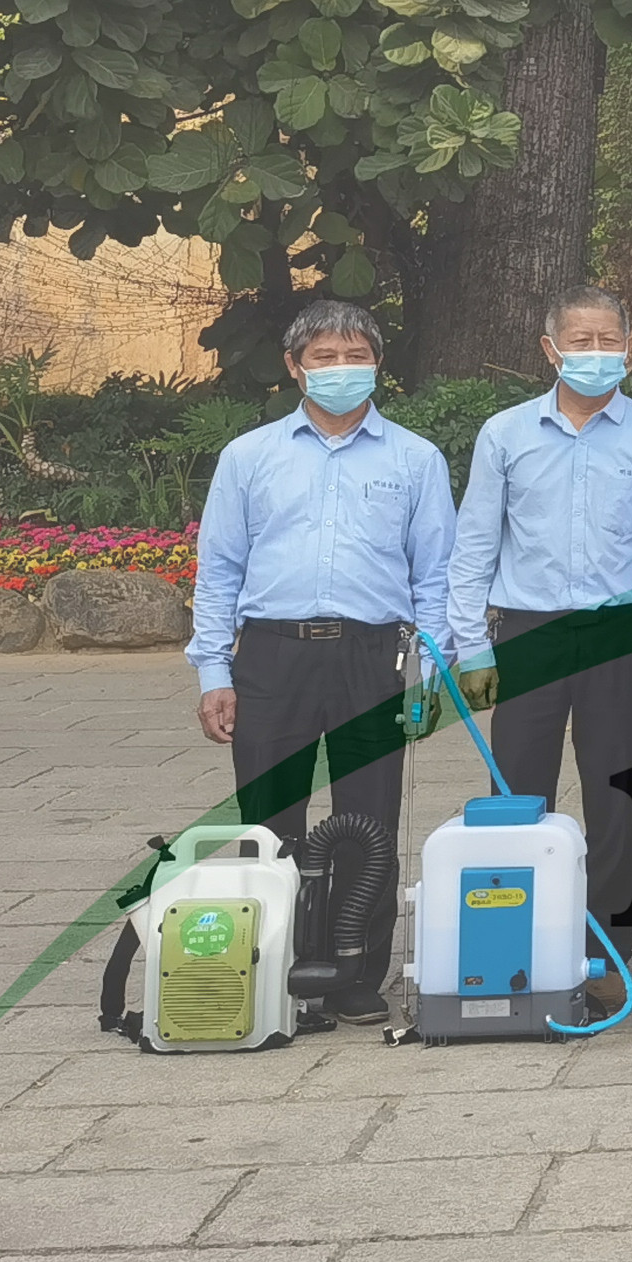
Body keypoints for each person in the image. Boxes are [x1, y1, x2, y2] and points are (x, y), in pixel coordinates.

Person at [185, 298, 457, 1027]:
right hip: (271, 655)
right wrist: (214, 672)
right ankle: (272, 964)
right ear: (294, 366)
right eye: (325, 357)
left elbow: (436, 575)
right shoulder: (249, 457)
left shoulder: (415, 460)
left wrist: (431, 673)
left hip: (373, 655)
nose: (341, 369)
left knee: (370, 820)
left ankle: (354, 972)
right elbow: (219, 570)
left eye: (355, 356)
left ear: (378, 364)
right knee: (270, 818)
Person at [447, 286, 632, 1009]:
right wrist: (470, 647)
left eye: (610, 340)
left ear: (630, 350)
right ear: (551, 350)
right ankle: (515, 940)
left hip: (618, 635)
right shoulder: (506, 434)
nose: (596, 353)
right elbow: (475, 544)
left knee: (617, 795)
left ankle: (608, 952)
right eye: (581, 341)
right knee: (517, 792)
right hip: (528, 632)